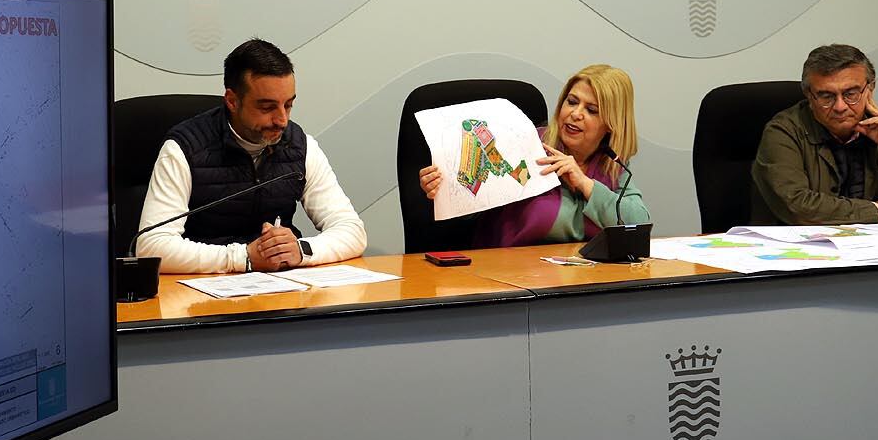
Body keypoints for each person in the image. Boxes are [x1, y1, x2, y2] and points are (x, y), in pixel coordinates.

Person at [137, 38, 367, 273]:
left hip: (281, 292)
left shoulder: (300, 145)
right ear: (232, 101)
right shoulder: (185, 148)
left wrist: (299, 250)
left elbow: (352, 230)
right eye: (267, 108)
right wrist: (244, 257)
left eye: (288, 105)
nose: (282, 120)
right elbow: (151, 247)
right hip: (200, 291)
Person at [418, 64, 650, 247]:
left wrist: (585, 184)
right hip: (512, 279)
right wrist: (445, 188)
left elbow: (638, 223)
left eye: (591, 110)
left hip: (581, 281)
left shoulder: (610, 164)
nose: (575, 114)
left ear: (611, 124)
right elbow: (472, 205)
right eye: (571, 102)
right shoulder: (527, 145)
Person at [750, 43, 878, 225]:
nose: (840, 106)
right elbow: (797, 207)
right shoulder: (783, 131)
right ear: (809, 96)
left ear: (870, 89)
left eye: (851, 94)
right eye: (826, 96)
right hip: (798, 254)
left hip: (873, 250)